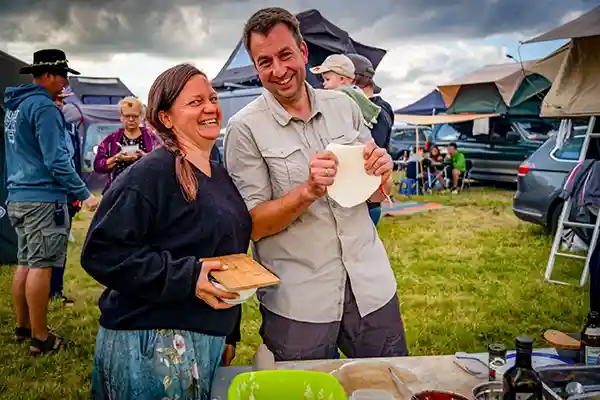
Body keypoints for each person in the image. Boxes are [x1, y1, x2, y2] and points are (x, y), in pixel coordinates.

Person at [224, 7, 408, 361]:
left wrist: (382, 174)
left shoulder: (344, 106)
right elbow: (255, 226)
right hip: (300, 303)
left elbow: (372, 193)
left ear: (304, 52)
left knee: (388, 386)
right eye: (264, 62)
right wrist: (307, 191)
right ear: (255, 66)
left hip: (371, 288)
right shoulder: (244, 129)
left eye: (285, 55)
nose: (278, 70)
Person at [80, 63, 250, 399]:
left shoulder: (219, 174)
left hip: (207, 337)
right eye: (195, 101)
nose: (210, 107)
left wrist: (229, 332)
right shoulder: (149, 175)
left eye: (212, 98)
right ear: (165, 118)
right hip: (152, 343)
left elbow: (226, 255)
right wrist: (188, 277)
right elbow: (102, 253)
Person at [4, 49, 99, 355]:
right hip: (42, 198)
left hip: (18, 195)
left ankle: (23, 327)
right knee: (41, 267)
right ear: (47, 75)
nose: (65, 81)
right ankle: (41, 338)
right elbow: (57, 159)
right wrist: (83, 194)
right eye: (63, 75)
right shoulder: (44, 108)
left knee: (24, 263)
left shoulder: (15, 107)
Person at [347, 53, 395, 225]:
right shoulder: (376, 108)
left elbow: (370, 148)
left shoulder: (377, 111)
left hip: (368, 199)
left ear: (351, 79)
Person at [49, 90, 81, 306]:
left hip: (67, 197)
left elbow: (74, 163)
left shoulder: (69, 130)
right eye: (58, 100)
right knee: (45, 251)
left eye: (63, 101)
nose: (61, 105)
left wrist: (76, 195)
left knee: (60, 247)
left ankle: (56, 290)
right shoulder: (49, 130)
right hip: (50, 196)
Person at [93, 96, 161, 193]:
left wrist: (145, 157)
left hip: (146, 192)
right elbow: (98, 166)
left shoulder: (153, 139)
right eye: (127, 116)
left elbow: (162, 164)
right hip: (117, 192)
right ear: (121, 117)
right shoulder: (111, 140)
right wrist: (116, 158)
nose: (131, 119)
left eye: (135, 116)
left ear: (141, 116)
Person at [310, 54, 381, 129]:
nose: (324, 84)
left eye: (327, 79)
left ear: (342, 79)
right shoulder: (377, 109)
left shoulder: (343, 95)